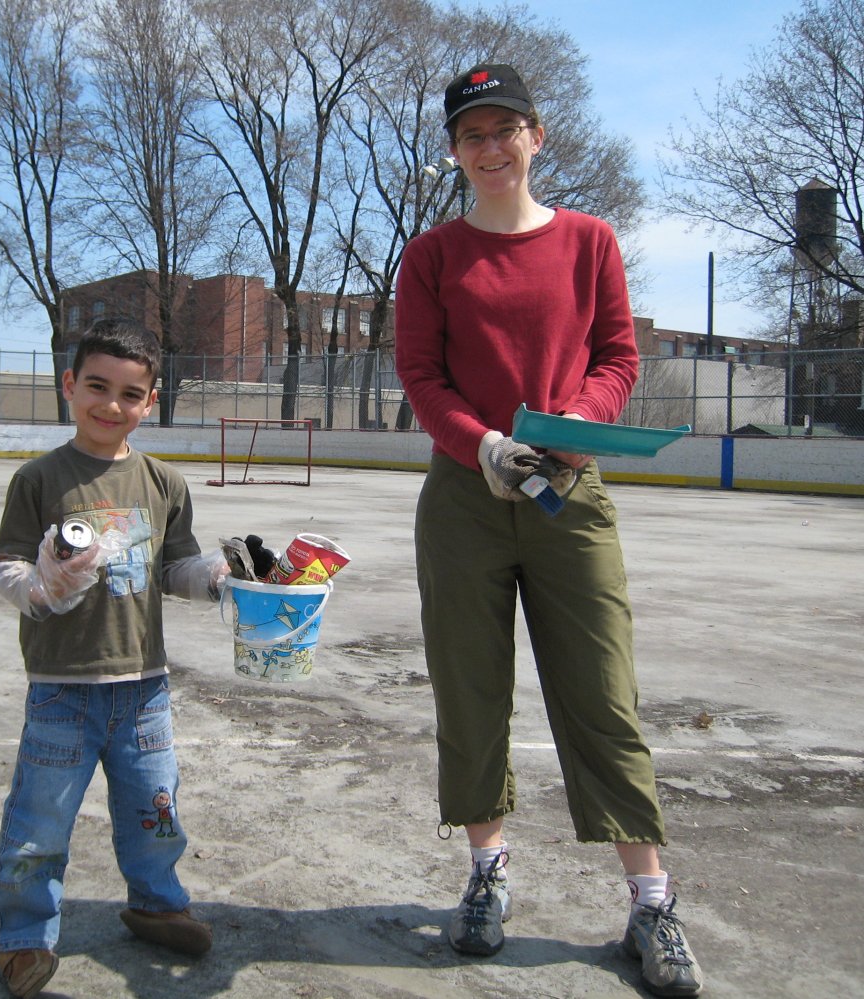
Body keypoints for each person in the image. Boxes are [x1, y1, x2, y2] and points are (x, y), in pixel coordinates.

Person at [394, 64, 704, 997]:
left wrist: (566, 430)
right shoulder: (434, 254)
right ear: (454, 151)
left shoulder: (589, 241)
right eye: (471, 135)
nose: (490, 149)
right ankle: (486, 874)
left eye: (505, 130)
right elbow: (421, 373)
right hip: (465, 498)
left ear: (538, 135)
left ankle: (651, 900)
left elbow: (617, 355)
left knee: (603, 693)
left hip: (570, 492)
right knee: (471, 690)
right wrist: (482, 443)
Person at [0, 318, 229, 998]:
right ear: (69, 385)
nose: (110, 405)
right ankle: (23, 936)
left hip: (143, 689)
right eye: (96, 386)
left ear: (150, 402)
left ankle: (157, 903)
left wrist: (220, 577)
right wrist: (39, 587)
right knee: (40, 822)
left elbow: (174, 568)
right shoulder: (39, 479)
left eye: (129, 393)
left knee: (156, 811)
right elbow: (5, 564)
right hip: (62, 689)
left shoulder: (163, 483)